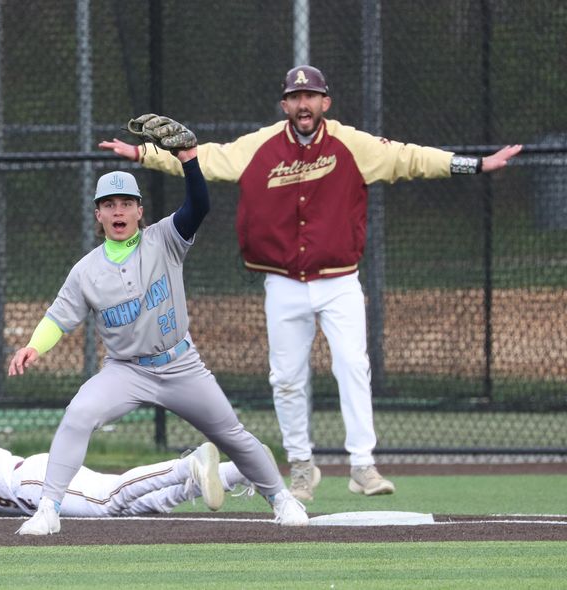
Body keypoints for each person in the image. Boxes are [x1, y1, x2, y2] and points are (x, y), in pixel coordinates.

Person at [99, 65, 523, 502]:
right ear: (285, 105)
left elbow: (410, 158)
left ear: (326, 102)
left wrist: (474, 164)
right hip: (283, 282)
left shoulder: (351, 143)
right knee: (286, 378)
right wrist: (144, 155)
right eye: (295, 97)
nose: (304, 104)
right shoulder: (261, 145)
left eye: (312, 96)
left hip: (339, 280)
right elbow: (209, 158)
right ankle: (301, 469)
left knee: (353, 367)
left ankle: (363, 467)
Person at [8, 120, 308, 535]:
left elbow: (199, 206)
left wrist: (189, 161)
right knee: (78, 413)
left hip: (181, 364)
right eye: (109, 204)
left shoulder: (164, 238)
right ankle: (48, 509)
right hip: (127, 371)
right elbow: (59, 317)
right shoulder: (86, 271)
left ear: (139, 211)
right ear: (98, 214)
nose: (118, 211)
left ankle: (282, 498)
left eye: (126, 203)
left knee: (233, 436)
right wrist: (33, 347)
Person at [0, 388, 257, 519]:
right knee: (143, 505)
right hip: (27, 484)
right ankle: (239, 472)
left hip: (32, 482)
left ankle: (187, 464)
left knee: (111, 499)